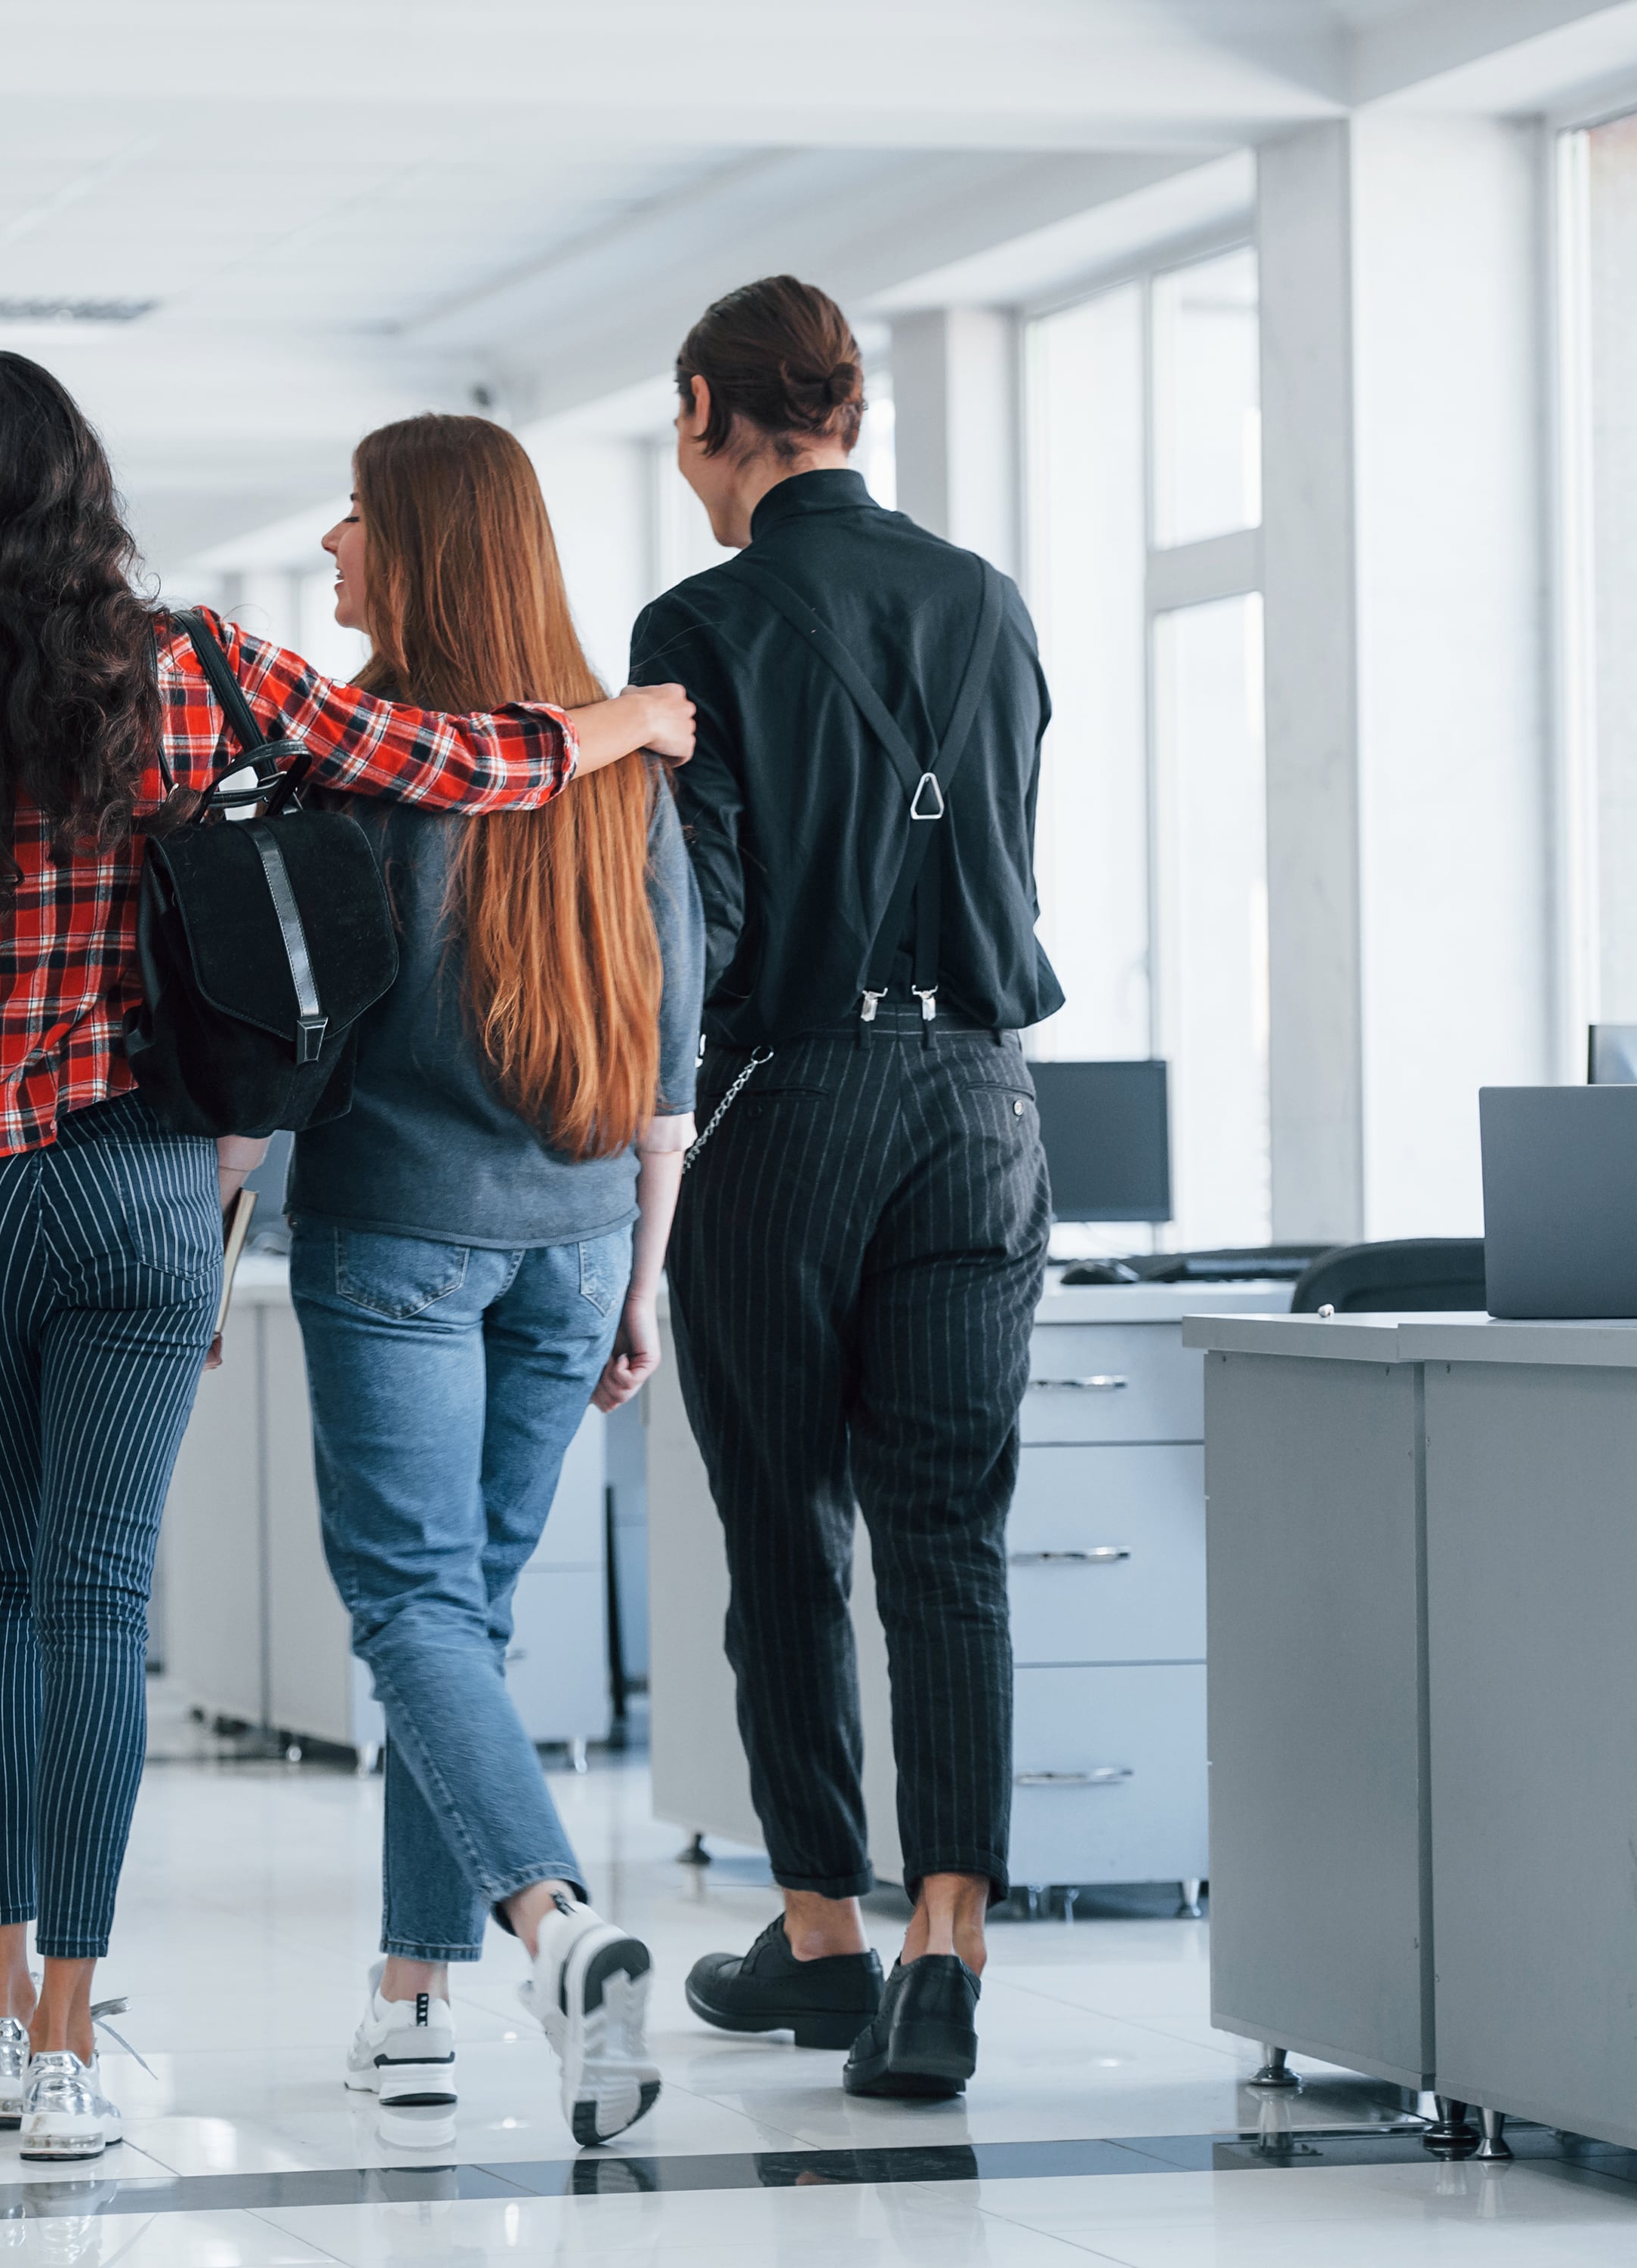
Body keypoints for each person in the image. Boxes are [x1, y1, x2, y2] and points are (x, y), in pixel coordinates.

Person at [0, 352, 692, 2164]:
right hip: (140, 1196)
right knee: (108, 1607)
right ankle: (63, 2051)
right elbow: (458, 759)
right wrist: (622, 723)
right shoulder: (186, 666)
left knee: (3, 1589)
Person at [632, 277, 1059, 2100]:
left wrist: (652, 1109)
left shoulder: (702, 618)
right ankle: (945, 1948)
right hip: (982, 1100)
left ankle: (820, 1934)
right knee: (949, 1536)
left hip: (793, 1102)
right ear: (855, 409)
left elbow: (701, 914)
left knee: (788, 1529)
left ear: (711, 409)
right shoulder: (986, 599)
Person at [287, 414, 701, 2149]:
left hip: (398, 1230)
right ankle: (408, 2000)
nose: (330, 542)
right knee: (465, 1617)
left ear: (425, 549)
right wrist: (643, 1279)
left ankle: (549, 1921)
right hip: (583, 1229)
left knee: (413, 1614)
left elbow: (302, 1028)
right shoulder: (630, 763)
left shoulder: (369, 772)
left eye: (360, 516)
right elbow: (675, 1050)